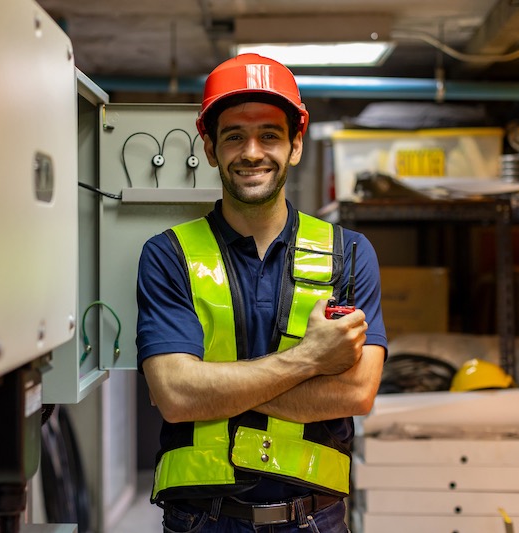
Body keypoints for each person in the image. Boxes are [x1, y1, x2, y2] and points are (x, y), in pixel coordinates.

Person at [135, 53, 387, 532]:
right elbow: (174, 395)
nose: (252, 151)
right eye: (234, 136)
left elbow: (357, 391)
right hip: (200, 522)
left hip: (314, 520)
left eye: (269, 134)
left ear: (295, 144)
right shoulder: (169, 255)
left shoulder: (350, 254)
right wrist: (310, 359)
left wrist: (214, 389)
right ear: (209, 148)